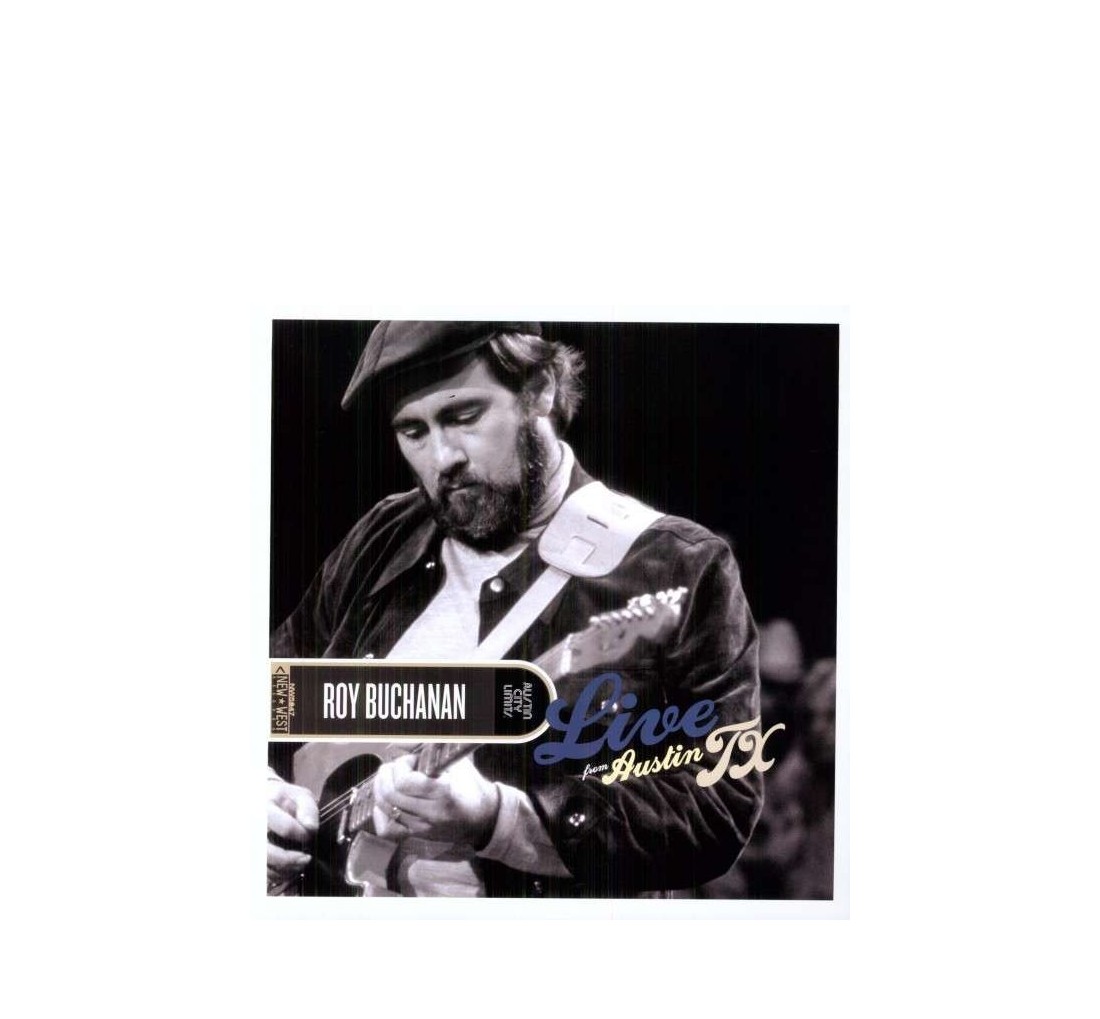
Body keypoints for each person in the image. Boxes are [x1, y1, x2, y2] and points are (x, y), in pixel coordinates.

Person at [267, 320, 763, 897]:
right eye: (413, 431)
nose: (443, 458)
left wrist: (500, 821)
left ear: (541, 389)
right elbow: (271, 699)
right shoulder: (381, 539)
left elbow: (719, 806)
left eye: (464, 416)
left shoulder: (675, 566)